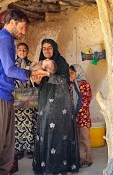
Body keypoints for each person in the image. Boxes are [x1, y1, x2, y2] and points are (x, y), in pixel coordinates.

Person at [0, 10, 46, 175]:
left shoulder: (5, 40)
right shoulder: (4, 38)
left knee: (4, 143)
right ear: (12, 22)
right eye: (22, 27)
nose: (24, 31)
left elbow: (7, 70)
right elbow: (10, 70)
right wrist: (31, 74)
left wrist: (30, 69)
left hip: (3, 96)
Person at [32, 39, 80, 174]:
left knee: (60, 133)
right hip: (45, 101)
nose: (46, 51)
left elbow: (64, 81)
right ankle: (46, 165)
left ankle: (60, 166)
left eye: (49, 48)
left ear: (55, 49)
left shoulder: (61, 62)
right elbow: (39, 84)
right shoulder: (40, 64)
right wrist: (37, 81)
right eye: (44, 48)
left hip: (60, 103)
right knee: (45, 132)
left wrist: (48, 74)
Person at [14, 42, 38, 160]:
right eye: (20, 50)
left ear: (27, 52)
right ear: (16, 51)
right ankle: (18, 149)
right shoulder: (12, 65)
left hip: (29, 95)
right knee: (17, 123)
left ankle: (30, 149)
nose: (22, 52)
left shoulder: (32, 64)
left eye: (24, 50)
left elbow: (36, 78)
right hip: (15, 96)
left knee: (29, 122)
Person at [69, 64, 93, 168]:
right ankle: (77, 158)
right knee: (75, 138)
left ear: (77, 72)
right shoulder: (71, 84)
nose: (70, 75)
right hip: (74, 114)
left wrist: (76, 112)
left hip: (83, 115)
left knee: (85, 137)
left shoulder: (84, 84)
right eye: (69, 73)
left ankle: (88, 158)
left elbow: (84, 101)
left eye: (72, 73)